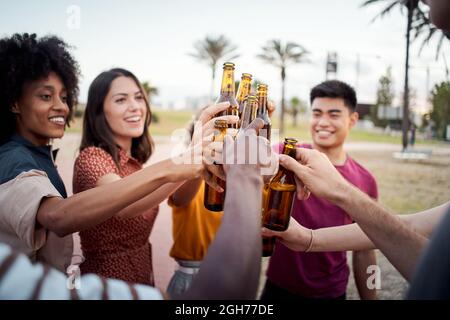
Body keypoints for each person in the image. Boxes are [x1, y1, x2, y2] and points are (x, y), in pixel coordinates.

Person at [0, 33, 231, 272]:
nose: (62, 106)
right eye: (46, 96)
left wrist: (194, 160)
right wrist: (179, 162)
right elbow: (60, 217)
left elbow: (178, 196)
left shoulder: (129, 161)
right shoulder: (84, 158)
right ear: (13, 102)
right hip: (107, 282)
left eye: (65, 97)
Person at [0, 119, 272, 300]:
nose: (135, 106)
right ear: (99, 111)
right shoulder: (93, 157)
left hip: (144, 274)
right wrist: (244, 173)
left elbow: (160, 190)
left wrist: (187, 162)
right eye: (121, 99)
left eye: (139, 97)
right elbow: (126, 206)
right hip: (110, 275)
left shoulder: (134, 163)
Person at [261, 80, 378, 300]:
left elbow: (366, 250)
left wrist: (372, 297)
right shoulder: (285, 156)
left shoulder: (365, 180)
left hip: (332, 292)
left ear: (352, 120)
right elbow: (253, 158)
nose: (323, 122)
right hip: (278, 287)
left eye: (334, 114)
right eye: (317, 113)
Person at [166, 102, 276, 296]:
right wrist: (200, 159)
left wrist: (260, 133)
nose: (222, 138)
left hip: (234, 269)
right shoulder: (188, 171)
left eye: (228, 131)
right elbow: (179, 198)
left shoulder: (240, 177)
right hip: (189, 277)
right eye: (217, 129)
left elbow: (260, 209)